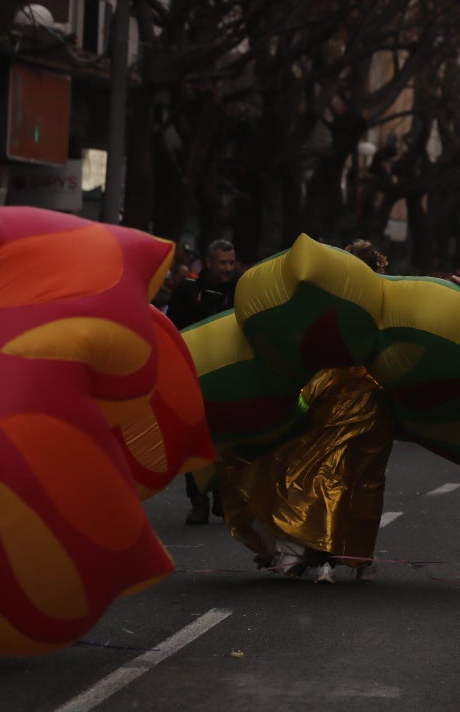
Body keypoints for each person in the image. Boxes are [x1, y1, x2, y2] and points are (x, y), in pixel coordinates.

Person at [219, 240, 397, 583]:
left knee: (316, 468)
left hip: (327, 390)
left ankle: (309, 550)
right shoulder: (386, 303)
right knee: (360, 478)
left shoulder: (330, 300)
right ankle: (347, 554)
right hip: (373, 398)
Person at [168, 239, 242, 524]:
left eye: (230, 262)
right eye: (222, 263)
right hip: (193, 378)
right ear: (208, 263)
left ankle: (224, 496)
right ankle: (198, 500)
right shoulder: (188, 291)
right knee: (195, 443)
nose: (227, 268)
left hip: (230, 379)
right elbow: (173, 331)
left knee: (228, 440)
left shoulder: (240, 290)